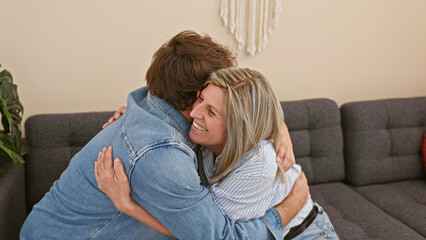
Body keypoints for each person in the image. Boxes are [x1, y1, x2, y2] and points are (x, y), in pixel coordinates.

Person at [20, 31, 308, 240]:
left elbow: (251, 104)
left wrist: (276, 127)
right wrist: (286, 210)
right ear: (199, 95)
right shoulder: (162, 155)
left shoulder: (150, 103)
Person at [95, 68, 339, 239]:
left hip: (304, 234)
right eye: (200, 99)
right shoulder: (208, 138)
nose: (195, 113)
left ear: (239, 128)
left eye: (211, 112)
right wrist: (139, 117)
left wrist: (126, 204)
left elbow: (202, 232)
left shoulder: (258, 164)